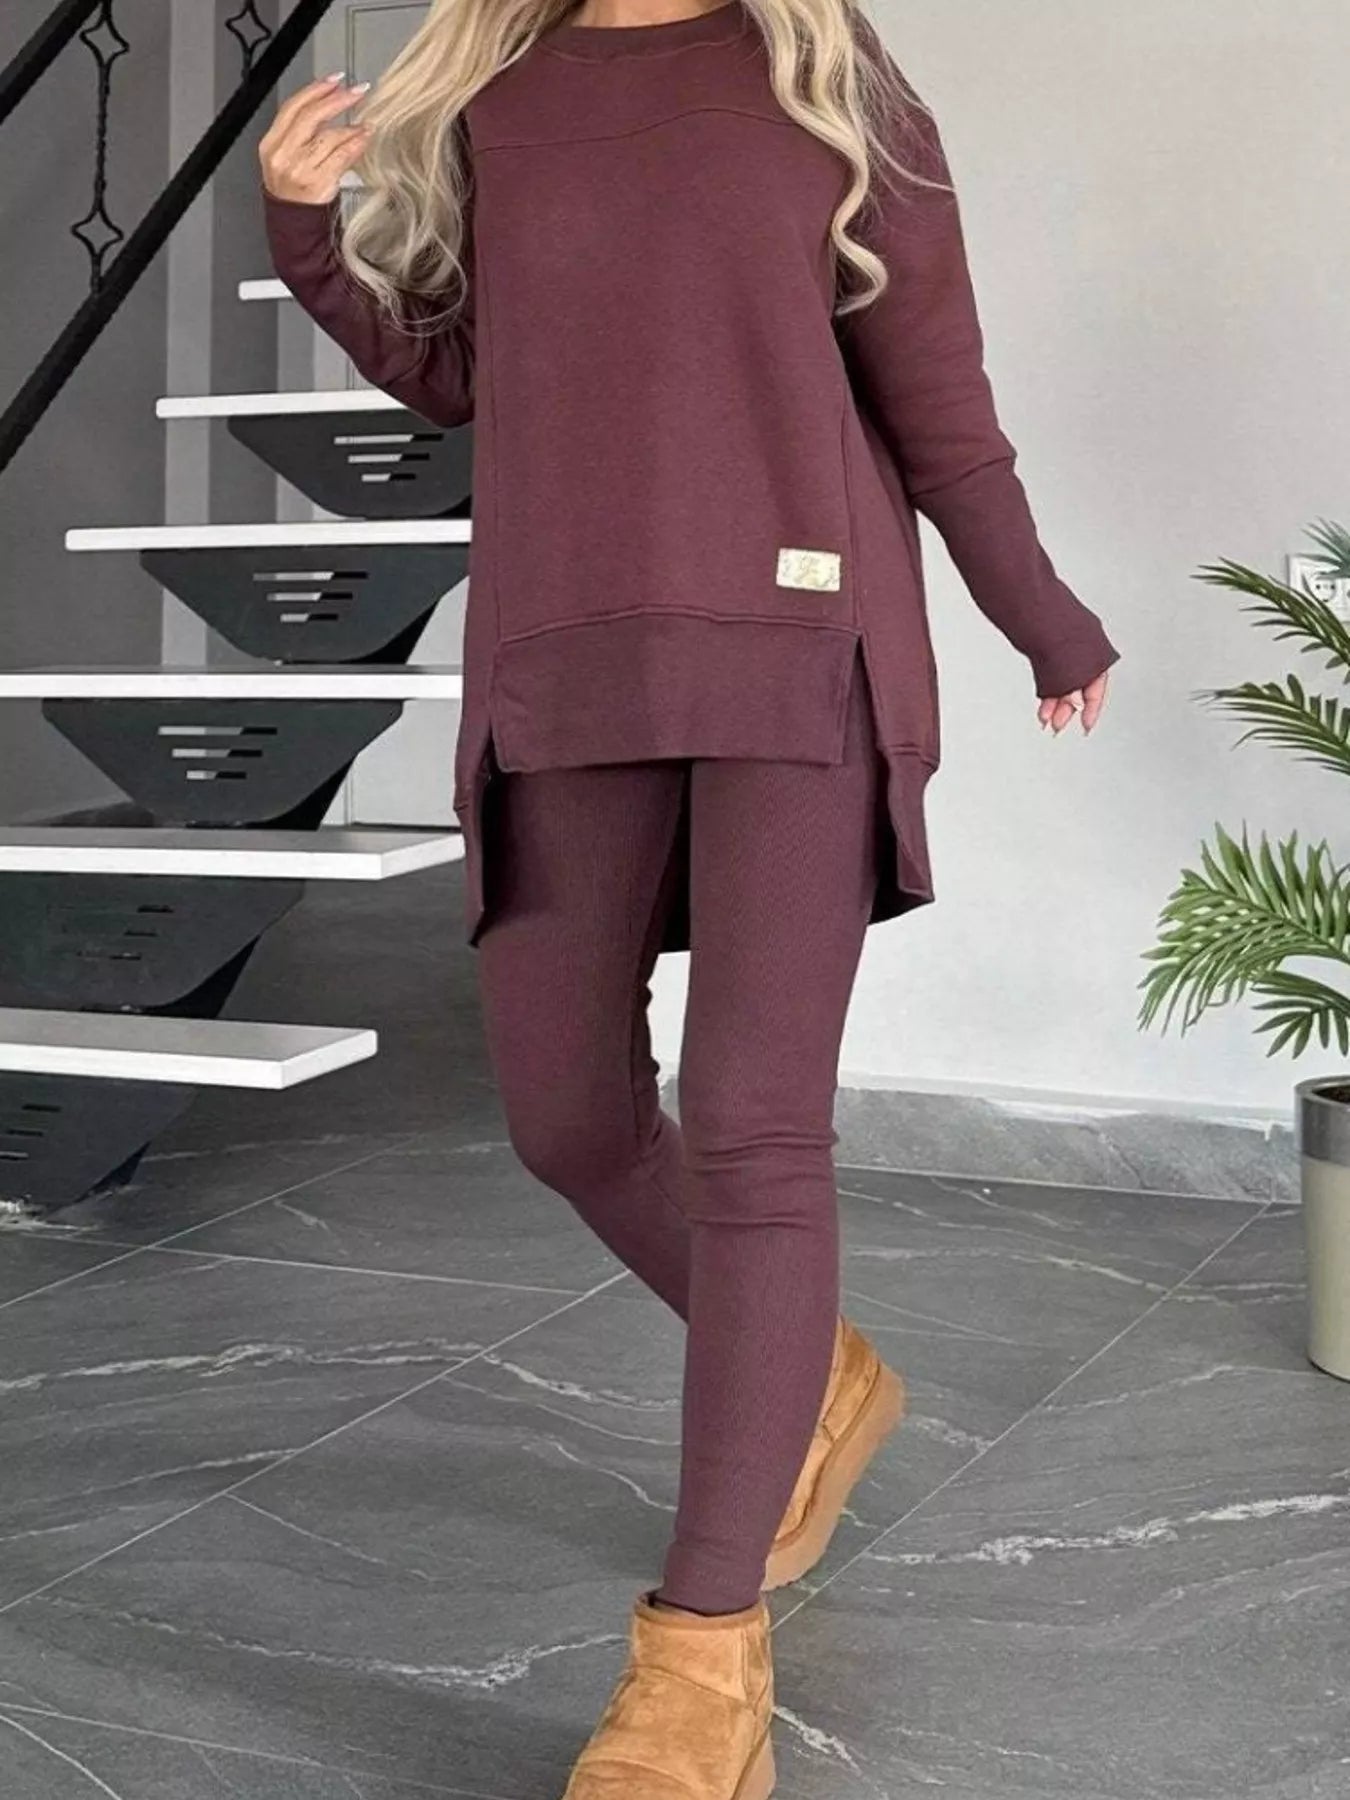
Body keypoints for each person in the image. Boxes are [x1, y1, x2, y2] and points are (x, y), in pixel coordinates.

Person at [259, 1, 1117, 1791]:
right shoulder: (501, 94)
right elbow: (470, 375)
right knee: (565, 1117)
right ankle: (815, 1376)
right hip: (567, 657)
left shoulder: (823, 72)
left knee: (750, 1128)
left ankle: (701, 1659)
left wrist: (1039, 614)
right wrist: (306, 239)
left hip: (802, 649)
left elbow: (936, 398)